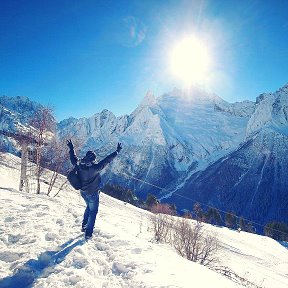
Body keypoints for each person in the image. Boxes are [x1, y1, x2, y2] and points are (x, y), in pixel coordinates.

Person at [67, 139, 122, 239]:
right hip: (92, 194)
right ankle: (88, 233)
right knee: (93, 212)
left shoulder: (79, 164)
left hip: (83, 192)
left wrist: (71, 147)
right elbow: (107, 160)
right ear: (93, 159)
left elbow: (73, 158)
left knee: (89, 207)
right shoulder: (95, 168)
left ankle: (84, 226)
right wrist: (117, 151)